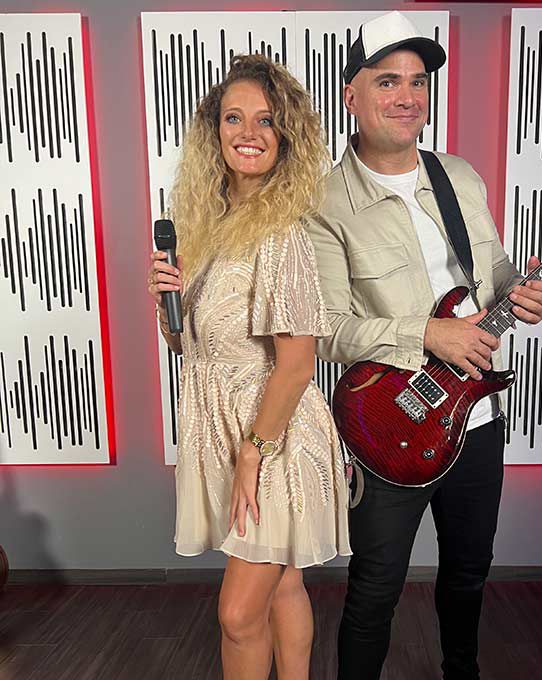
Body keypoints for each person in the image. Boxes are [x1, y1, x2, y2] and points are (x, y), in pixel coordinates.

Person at [306, 11, 542, 680]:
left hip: (477, 417)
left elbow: (493, 274)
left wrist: (525, 290)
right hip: (392, 425)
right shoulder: (323, 202)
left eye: (417, 81)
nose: (407, 97)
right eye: (387, 81)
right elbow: (326, 329)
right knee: (375, 588)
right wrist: (425, 332)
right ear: (351, 94)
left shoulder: (459, 176)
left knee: (470, 573)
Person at [146, 54, 351, 680]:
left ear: (286, 136)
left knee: (238, 615)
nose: (249, 132)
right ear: (214, 131)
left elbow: (297, 364)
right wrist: (167, 307)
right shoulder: (207, 228)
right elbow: (193, 348)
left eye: (266, 120)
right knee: (283, 585)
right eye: (233, 118)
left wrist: (251, 454)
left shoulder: (280, 232)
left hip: (273, 437)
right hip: (230, 428)